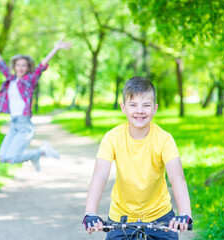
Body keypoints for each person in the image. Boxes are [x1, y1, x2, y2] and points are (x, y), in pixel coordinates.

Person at [82, 76, 193, 239]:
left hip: (160, 216)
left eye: (146, 105)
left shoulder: (164, 139)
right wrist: (90, 212)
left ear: (154, 109)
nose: (139, 110)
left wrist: (185, 213)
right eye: (133, 105)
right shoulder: (112, 138)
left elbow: (177, 178)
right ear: (123, 107)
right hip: (121, 217)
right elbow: (100, 175)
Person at [0, 33, 71, 172]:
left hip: (24, 125)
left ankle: (41, 152)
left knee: (13, 158)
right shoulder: (11, 79)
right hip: (14, 124)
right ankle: (35, 156)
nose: (20, 68)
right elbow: (0, 63)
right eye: (18, 65)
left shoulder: (29, 81)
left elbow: (42, 66)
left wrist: (56, 48)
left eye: (24, 65)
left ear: (28, 68)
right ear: (14, 66)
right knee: (2, 157)